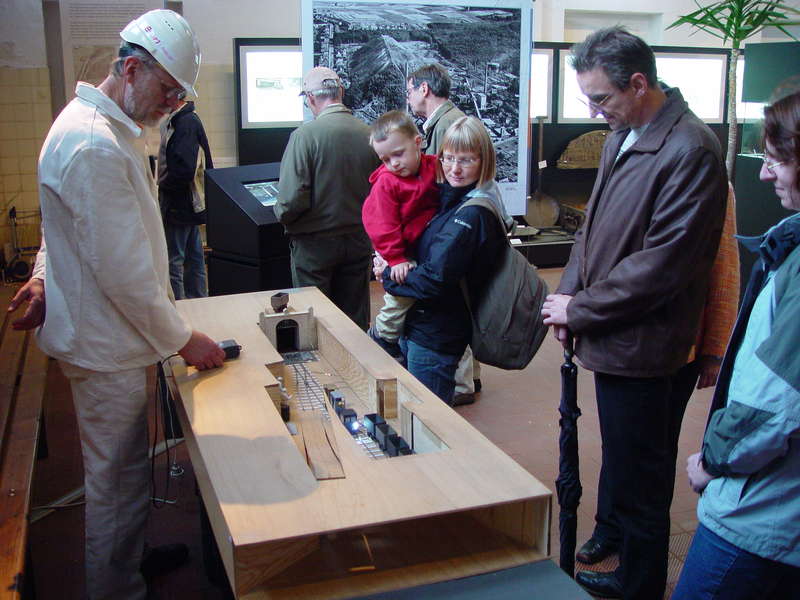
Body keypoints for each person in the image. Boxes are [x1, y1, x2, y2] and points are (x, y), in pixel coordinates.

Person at [6, 10, 225, 600]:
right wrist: (186, 339)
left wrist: (43, 275)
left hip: (108, 335)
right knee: (117, 485)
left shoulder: (95, 126)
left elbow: (61, 229)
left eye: (181, 96)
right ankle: (115, 590)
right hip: (106, 348)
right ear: (130, 69)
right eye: (166, 91)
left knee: (125, 477)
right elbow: (125, 276)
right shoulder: (94, 145)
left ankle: (127, 563)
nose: (172, 106)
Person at [540, 27, 727, 600]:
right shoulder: (628, 131)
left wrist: (583, 307)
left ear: (639, 83)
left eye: (601, 99)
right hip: (615, 333)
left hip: (648, 344)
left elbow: (662, 266)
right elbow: (590, 231)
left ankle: (640, 582)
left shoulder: (690, 149)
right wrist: (566, 304)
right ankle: (610, 532)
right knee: (621, 450)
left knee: (644, 474)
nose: (595, 111)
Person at [672, 86, 800, 600]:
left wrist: (713, 462)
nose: (764, 173)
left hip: (763, 519)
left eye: (775, 161)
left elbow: (772, 406)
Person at [576, 183, 740, 566]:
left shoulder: (707, 178)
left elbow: (724, 262)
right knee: (618, 442)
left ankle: (637, 555)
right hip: (623, 338)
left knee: (656, 451)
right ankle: (610, 528)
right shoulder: (624, 162)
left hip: (679, 343)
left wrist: (715, 348)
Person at [380, 116, 507, 404]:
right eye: (448, 158)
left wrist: (389, 276)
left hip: (436, 336)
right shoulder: (447, 198)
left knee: (427, 422)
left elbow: (434, 279)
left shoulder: (473, 213)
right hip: (421, 327)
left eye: (466, 160)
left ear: (483, 160)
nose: (454, 168)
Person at [275, 66, 378, 330]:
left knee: (316, 320)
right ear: (341, 92)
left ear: (310, 98)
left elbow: (290, 201)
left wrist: (282, 216)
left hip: (314, 247)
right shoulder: (369, 134)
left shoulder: (304, 137)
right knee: (353, 322)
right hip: (358, 241)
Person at [406, 63, 481, 406]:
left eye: (410, 90)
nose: (454, 165)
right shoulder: (447, 121)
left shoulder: (450, 126)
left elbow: (445, 184)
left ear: (424, 89)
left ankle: (461, 383)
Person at [362, 110, 440, 359]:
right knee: (402, 294)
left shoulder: (433, 166)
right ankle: (383, 334)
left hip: (428, 246)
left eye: (398, 154)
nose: (393, 164)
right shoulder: (387, 183)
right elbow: (381, 225)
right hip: (404, 252)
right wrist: (394, 258)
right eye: (385, 159)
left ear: (417, 143)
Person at [158, 99, 213, 299]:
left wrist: (163, 186)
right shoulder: (185, 120)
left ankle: (180, 308)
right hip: (188, 204)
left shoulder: (185, 123)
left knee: (176, 260)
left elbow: (184, 170)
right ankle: (197, 303)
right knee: (194, 257)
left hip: (180, 204)